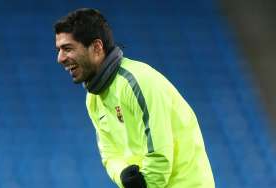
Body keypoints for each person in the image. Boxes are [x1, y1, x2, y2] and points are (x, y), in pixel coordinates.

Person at [54, 8, 215, 188]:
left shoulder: (137, 82)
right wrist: (122, 174)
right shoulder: (93, 99)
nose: (60, 58)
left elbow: (159, 157)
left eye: (67, 48)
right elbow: (109, 155)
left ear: (97, 47)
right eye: (59, 50)